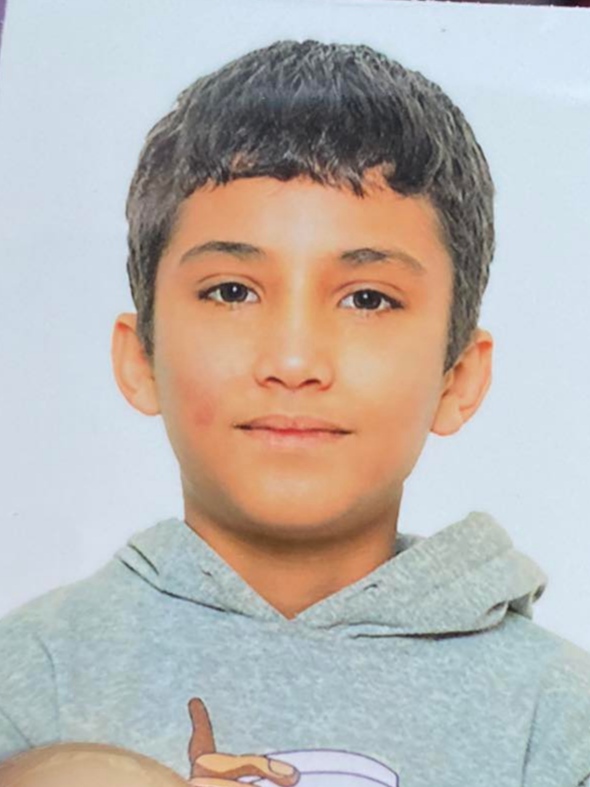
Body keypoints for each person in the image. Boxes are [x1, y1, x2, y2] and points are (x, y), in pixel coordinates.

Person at [0, 39, 588, 787]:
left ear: (459, 378)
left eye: (367, 298)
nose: (294, 358)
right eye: (232, 291)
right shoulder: (29, 682)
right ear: (140, 357)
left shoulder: (559, 720)